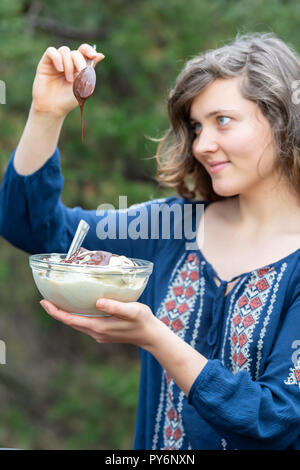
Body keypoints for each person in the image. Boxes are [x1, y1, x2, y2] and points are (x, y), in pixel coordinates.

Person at [0, 32, 300, 450]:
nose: (202, 145)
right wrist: (46, 113)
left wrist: (155, 336)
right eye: (196, 127)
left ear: (283, 119)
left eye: (223, 121)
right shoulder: (170, 227)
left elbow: (277, 420)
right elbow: (29, 226)